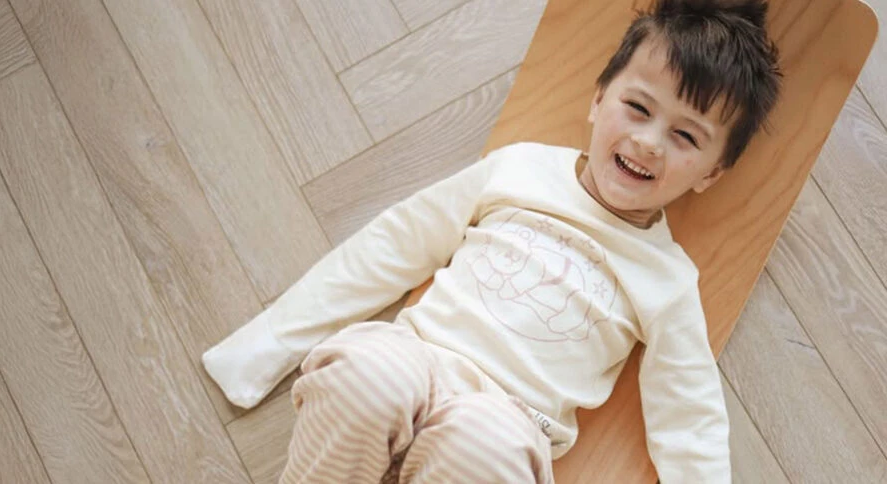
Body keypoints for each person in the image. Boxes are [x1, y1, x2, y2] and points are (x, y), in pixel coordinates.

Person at [202, 0, 782, 482]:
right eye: (637, 107)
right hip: (418, 361)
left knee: (483, 446)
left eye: (685, 137)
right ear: (598, 99)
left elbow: (689, 414)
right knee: (363, 377)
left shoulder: (667, 279)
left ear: (711, 173)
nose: (650, 142)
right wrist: (264, 348)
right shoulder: (521, 169)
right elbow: (395, 244)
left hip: (513, 421)